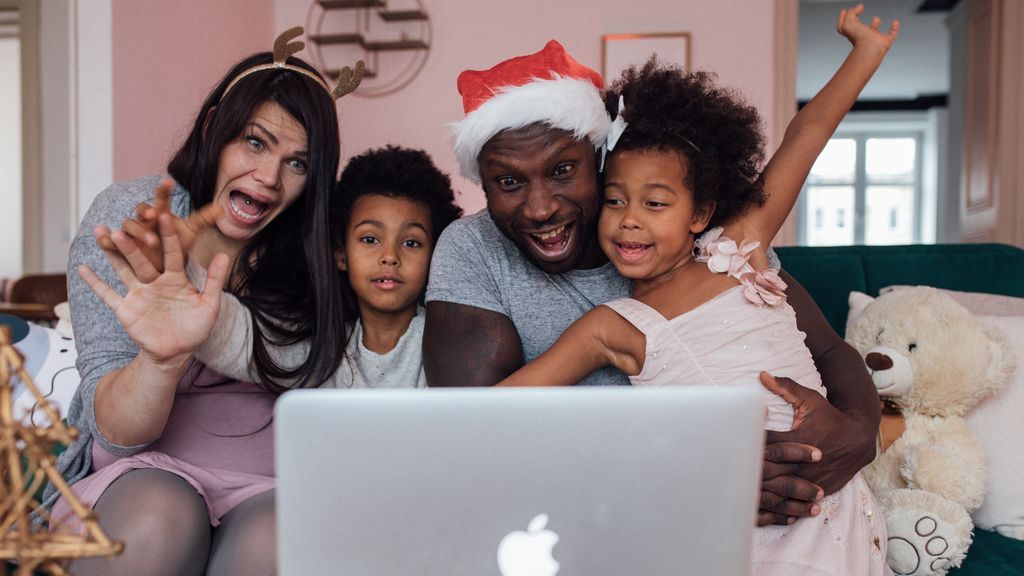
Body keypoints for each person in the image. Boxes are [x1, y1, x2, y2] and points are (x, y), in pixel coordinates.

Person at [497, 6, 898, 573]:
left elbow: (805, 135)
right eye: (615, 200)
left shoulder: (740, 250)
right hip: (742, 529)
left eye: (655, 203)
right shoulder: (613, 326)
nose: (630, 220)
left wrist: (865, 53)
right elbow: (502, 407)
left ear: (700, 212)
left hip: (839, 504)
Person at [48, 28, 361, 576]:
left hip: (276, 478)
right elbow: (118, 435)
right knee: (160, 518)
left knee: (279, 541)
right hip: (141, 464)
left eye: (298, 163)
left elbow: (315, 374)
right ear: (216, 125)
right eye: (256, 142)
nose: (268, 178)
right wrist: (161, 358)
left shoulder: (322, 248)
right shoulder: (133, 214)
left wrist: (213, 326)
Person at [139, 145, 463, 388]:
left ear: (435, 255)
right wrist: (181, 270)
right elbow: (236, 337)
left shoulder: (448, 343)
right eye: (369, 239)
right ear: (340, 254)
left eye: (411, 243)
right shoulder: (320, 347)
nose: (390, 256)